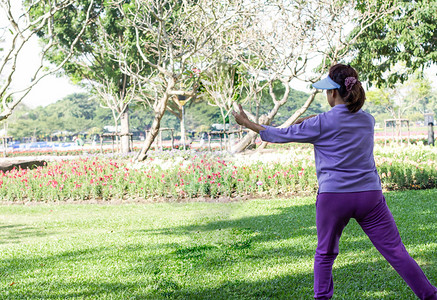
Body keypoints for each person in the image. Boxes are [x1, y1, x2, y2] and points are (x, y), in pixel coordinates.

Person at [232, 63, 437, 300]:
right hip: (369, 196)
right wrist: (312, 119)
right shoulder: (367, 121)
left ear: (332, 93)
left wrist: (247, 123)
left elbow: (280, 134)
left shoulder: (320, 123)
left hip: (334, 197)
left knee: (325, 254)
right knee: (396, 252)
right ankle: (430, 296)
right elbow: (341, 121)